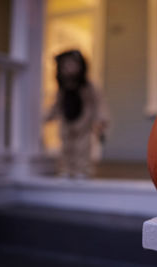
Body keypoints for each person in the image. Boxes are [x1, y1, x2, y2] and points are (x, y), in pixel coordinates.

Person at [45, 50, 108, 178]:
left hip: (83, 123)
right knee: (66, 147)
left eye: (72, 65)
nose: (69, 69)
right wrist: (48, 115)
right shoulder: (63, 88)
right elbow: (57, 104)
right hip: (66, 122)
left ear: (81, 66)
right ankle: (67, 170)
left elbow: (98, 104)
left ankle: (83, 170)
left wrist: (101, 119)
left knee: (82, 148)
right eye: (65, 66)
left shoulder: (88, 87)